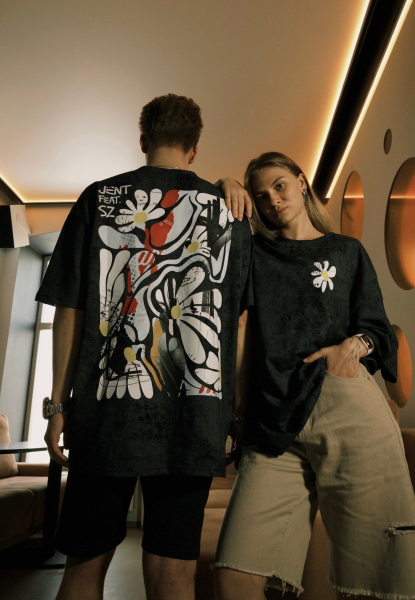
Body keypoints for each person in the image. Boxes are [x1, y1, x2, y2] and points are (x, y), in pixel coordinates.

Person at [36, 93, 253, 600]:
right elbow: (238, 324)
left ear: (142, 140)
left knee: (83, 567)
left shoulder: (98, 198)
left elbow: (70, 309)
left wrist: (58, 406)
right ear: (195, 149)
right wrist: (235, 413)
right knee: (174, 574)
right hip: (195, 418)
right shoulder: (229, 212)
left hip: (104, 415)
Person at [213, 152, 415, 600]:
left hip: (345, 404)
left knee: (372, 581)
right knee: (235, 575)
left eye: (279, 185)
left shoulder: (346, 251)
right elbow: (240, 326)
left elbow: (378, 329)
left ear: (302, 182)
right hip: (273, 422)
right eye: (260, 195)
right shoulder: (254, 253)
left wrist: (351, 349)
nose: (272, 200)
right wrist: (222, 186)